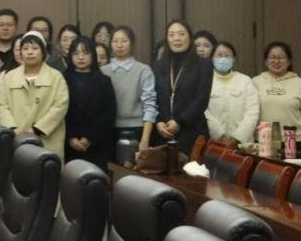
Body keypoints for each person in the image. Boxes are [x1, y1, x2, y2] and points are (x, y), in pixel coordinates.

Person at [0, 31, 69, 159]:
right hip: (17, 137)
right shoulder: (10, 76)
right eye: (25, 49)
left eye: (35, 48)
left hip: (47, 139)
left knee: (46, 168)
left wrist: (37, 129)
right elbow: (1, 105)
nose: (30, 52)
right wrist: (13, 129)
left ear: (43, 52)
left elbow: (60, 107)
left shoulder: (56, 77)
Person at [152, 20, 213, 155]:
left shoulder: (203, 65)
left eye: (181, 34)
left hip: (192, 132)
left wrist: (180, 122)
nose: (176, 38)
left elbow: (202, 99)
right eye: (171, 34)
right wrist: (158, 121)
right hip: (163, 133)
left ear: (190, 38)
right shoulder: (158, 66)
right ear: (167, 39)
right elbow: (153, 98)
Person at [63, 36, 116, 171]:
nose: (81, 57)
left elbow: (109, 114)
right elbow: (59, 112)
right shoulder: (62, 79)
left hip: (97, 145)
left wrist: (90, 138)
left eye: (85, 53)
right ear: (70, 56)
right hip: (68, 145)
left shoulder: (104, 81)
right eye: (76, 53)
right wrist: (70, 138)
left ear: (93, 55)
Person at [253, 42, 301, 152]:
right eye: (273, 57)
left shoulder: (300, 83)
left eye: (281, 57)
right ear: (266, 61)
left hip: (292, 138)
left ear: (289, 62)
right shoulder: (255, 82)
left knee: (290, 163)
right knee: (264, 163)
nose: (277, 61)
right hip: (263, 138)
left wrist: (296, 124)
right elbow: (249, 109)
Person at [104, 26, 156, 154]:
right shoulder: (103, 71)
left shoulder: (143, 70)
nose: (119, 45)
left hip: (137, 128)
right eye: (115, 41)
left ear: (131, 43)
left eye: (124, 41)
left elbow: (150, 105)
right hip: (108, 128)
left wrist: (145, 139)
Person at [205, 41, 259, 144]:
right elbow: (203, 111)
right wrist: (219, 135)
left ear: (233, 59)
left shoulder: (245, 81)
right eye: (219, 55)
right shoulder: (204, 81)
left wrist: (238, 138)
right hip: (214, 141)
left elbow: (252, 112)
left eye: (227, 56)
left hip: (242, 143)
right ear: (212, 58)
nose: (223, 59)